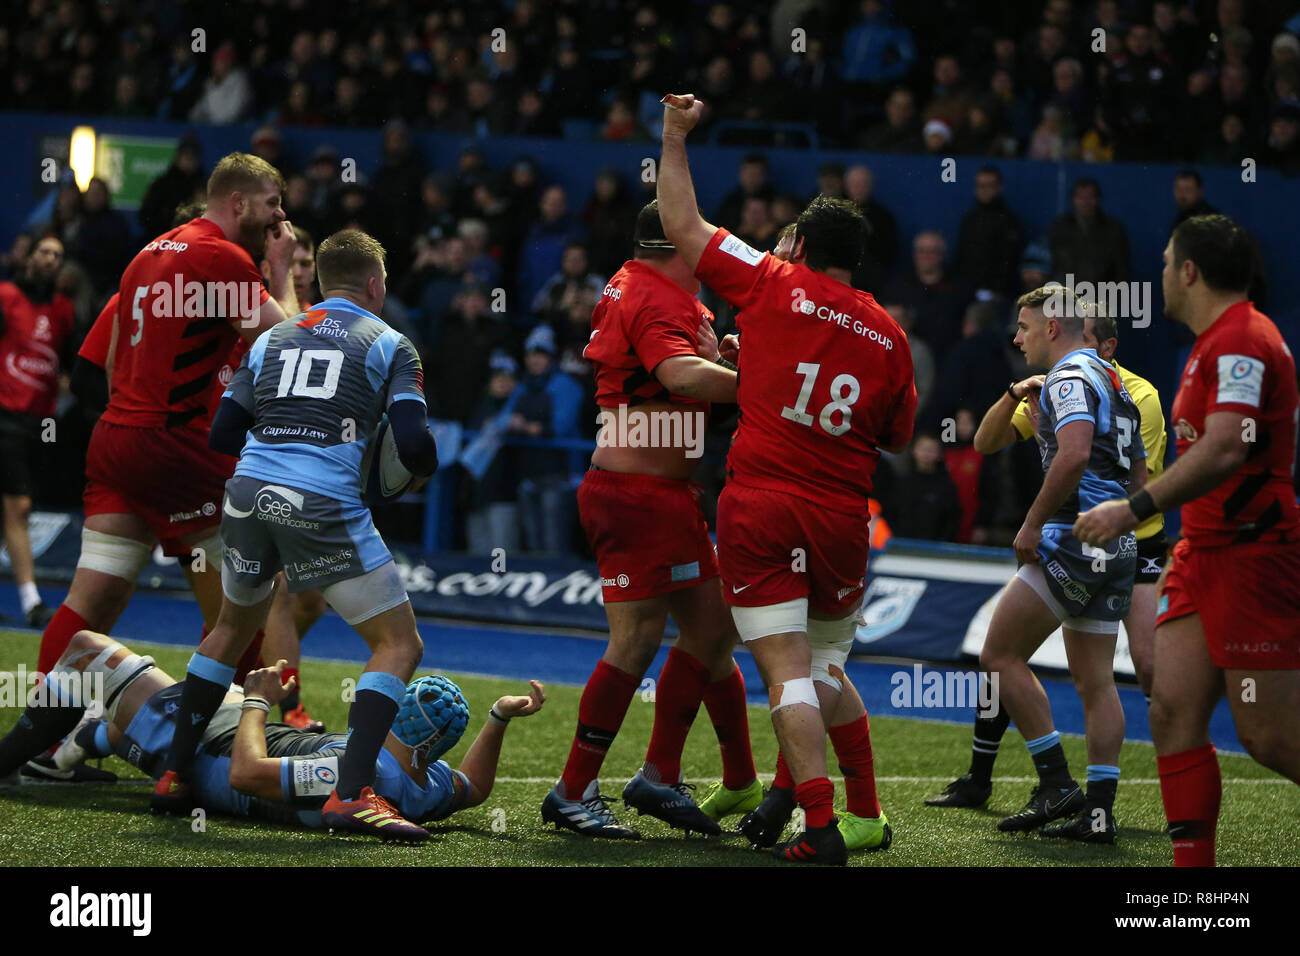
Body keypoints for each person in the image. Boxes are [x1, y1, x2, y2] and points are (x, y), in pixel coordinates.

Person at [656, 93, 916, 865]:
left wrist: (674, 137)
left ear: (799, 240)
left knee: (787, 679)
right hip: (843, 520)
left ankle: (822, 825)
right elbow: (897, 437)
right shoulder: (891, 334)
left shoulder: (772, 280)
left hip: (764, 507)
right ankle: (855, 812)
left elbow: (683, 226)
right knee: (825, 670)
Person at [150, 229, 440, 844]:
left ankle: (173, 774)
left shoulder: (272, 337)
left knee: (232, 628)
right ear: (373, 285)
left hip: (248, 491)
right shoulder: (392, 344)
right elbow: (414, 447)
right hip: (322, 502)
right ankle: (350, 794)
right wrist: (397, 465)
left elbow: (223, 434)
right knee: (398, 645)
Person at [1075, 214, 1300, 866]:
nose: (1162, 273)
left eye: (1169, 261)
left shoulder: (1242, 341)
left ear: (1190, 272)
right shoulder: (1211, 344)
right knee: (1171, 709)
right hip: (1202, 553)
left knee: (1270, 737)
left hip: (1254, 555)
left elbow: (1229, 445)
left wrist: (1132, 507)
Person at [33, 154, 300, 685]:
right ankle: (212, 736)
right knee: (242, 608)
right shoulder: (221, 258)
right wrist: (283, 267)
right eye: (272, 204)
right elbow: (288, 349)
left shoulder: (150, 253)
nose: (279, 217)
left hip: (116, 441)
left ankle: (44, 747)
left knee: (94, 599)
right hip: (175, 449)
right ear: (238, 202)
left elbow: (104, 362)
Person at [541, 200, 759, 840]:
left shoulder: (647, 287)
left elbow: (669, 386)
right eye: (698, 239)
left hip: (654, 491)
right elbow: (678, 375)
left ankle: (687, 776)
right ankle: (574, 790)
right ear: (674, 245)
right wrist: (759, 382)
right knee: (637, 641)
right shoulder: (655, 293)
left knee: (715, 630)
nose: (709, 251)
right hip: (639, 494)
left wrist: (727, 363)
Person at [928, 305, 1167, 835]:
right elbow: (1137, 475)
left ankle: (1056, 783)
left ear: (1052, 329)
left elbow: (1076, 454)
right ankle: (1099, 815)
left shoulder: (1068, 376)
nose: (1018, 339)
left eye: (1025, 328)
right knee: (1097, 682)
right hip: (1118, 542)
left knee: (998, 654)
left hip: (1072, 537)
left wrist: (1033, 525)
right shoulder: (1119, 386)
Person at [0, 628, 545, 833]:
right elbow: (474, 789)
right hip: (238, 729)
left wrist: (260, 700)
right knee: (158, 702)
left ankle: (16, 759)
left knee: (86, 651)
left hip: (213, 748)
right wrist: (497, 718)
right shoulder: (425, 784)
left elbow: (246, 773)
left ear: (398, 713)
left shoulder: (358, 770)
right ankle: (74, 750)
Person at [0, 235, 75, 628]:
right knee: (20, 508)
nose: (50, 259)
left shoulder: (64, 310)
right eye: (45, 252)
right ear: (29, 257)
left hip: (40, 424)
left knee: (9, 515)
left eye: (57, 255)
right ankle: (31, 602)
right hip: (4, 417)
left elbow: (65, 365)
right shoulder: (6, 295)